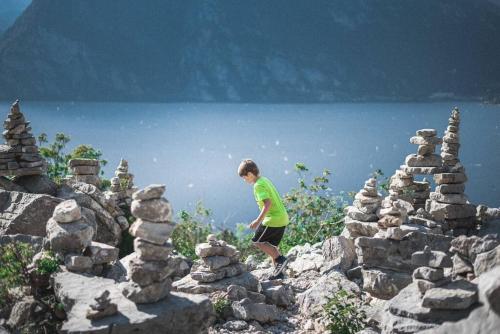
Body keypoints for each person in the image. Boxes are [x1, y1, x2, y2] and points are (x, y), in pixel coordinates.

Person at [238, 159, 289, 279]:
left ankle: (281, 260)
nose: (245, 181)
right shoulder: (264, 180)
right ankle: (278, 273)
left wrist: (257, 221)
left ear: (250, 174)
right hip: (282, 218)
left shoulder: (258, 185)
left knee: (257, 241)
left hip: (273, 219)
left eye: (245, 178)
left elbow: (268, 204)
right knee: (271, 247)